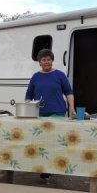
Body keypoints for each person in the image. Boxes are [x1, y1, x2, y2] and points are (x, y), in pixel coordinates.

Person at [25, 48, 76, 181]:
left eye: (48, 59)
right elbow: (28, 95)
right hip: (39, 114)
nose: (46, 62)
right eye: (43, 60)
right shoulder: (35, 77)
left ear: (52, 60)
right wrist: (28, 107)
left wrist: (72, 107)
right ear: (39, 62)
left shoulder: (59, 75)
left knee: (53, 142)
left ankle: (52, 167)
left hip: (57, 113)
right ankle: (43, 166)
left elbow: (69, 92)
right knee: (41, 142)